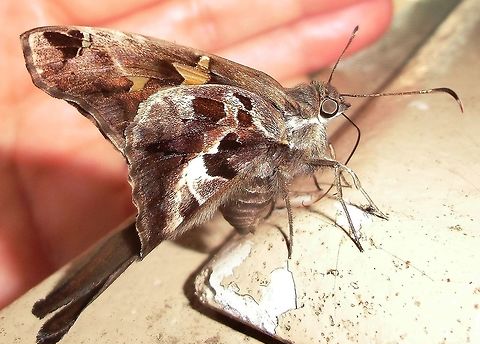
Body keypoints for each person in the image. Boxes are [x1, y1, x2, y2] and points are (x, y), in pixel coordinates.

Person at [0, 0, 392, 309]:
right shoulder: (278, 117)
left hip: (242, 183)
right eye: (326, 112)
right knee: (332, 166)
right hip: (207, 175)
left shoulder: (291, 127)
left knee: (327, 165)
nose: (331, 115)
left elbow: (302, 156)